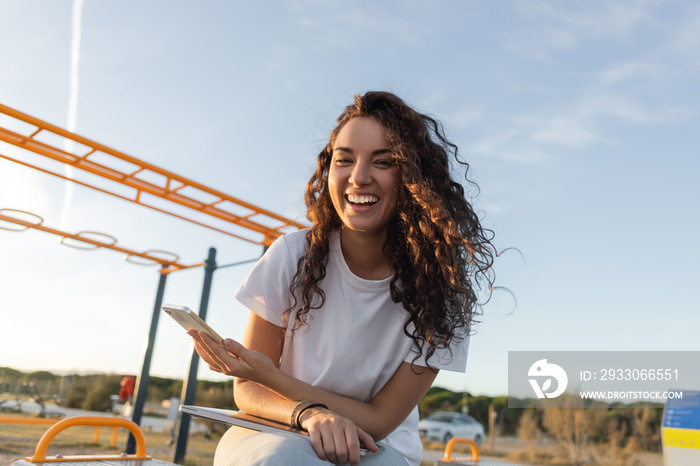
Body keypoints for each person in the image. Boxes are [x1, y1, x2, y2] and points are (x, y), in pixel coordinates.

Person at [189, 91, 495, 466]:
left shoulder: (441, 294)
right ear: (328, 170)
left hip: (377, 446)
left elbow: (381, 420)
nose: (359, 177)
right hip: (276, 426)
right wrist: (309, 414)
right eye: (344, 160)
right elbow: (250, 390)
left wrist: (274, 378)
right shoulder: (291, 255)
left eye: (383, 162)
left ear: (413, 178)